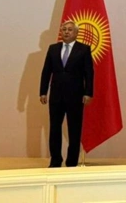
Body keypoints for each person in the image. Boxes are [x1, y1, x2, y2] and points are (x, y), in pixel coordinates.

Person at [39, 21, 93, 168]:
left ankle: (71, 162)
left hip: (76, 96)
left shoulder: (83, 49)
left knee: (74, 130)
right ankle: (55, 160)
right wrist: (43, 91)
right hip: (56, 96)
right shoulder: (53, 49)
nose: (66, 32)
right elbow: (46, 71)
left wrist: (88, 92)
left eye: (70, 30)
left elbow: (89, 73)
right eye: (64, 29)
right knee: (54, 128)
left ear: (76, 33)